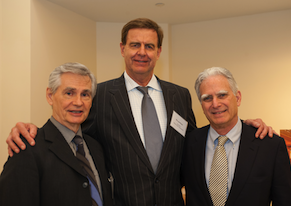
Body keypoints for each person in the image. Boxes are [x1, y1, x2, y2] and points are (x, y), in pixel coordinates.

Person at [6, 19, 273, 206]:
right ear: (123, 49)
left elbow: (196, 144)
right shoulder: (99, 95)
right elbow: (70, 135)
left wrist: (241, 127)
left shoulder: (179, 95)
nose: (141, 52)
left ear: (158, 52)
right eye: (134, 45)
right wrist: (31, 130)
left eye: (149, 46)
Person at [0, 63, 113, 206]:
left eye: (85, 94)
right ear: (50, 96)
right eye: (69, 93)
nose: (78, 102)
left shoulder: (96, 148)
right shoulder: (27, 149)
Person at [181, 67, 291, 206]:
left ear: (238, 98)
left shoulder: (270, 146)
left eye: (222, 95)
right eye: (207, 98)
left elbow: (285, 202)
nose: (215, 104)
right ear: (202, 105)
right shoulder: (188, 143)